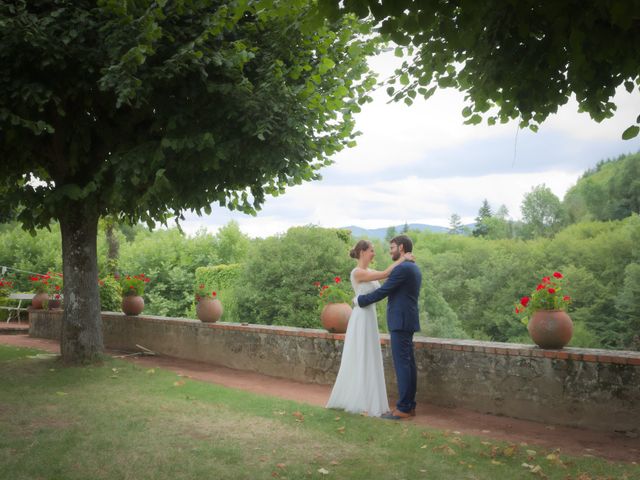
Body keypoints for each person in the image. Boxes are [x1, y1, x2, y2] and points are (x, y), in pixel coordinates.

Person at [326, 239, 413, 417]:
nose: (374, 253)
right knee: (360, 355)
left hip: (370, 317)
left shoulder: (370, 271)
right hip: (360, 318)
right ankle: (359, 400)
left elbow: (388, 275)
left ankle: (369, 398)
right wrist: (403, 258)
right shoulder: (357, 272)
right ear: (362, 252)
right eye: (372, 250)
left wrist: (405, 264)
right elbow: (385, 274)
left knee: (371, 355)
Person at [356, 235, 422, 420]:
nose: (390, 250)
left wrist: (361, 300)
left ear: (401, 248)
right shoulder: (412, 267)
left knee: (403, 365)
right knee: (409, 364)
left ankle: (403, 408)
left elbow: (383, 291)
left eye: (392, 247)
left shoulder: (402, 269)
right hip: (407, 320)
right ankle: (410, 405)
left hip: (400, 322)